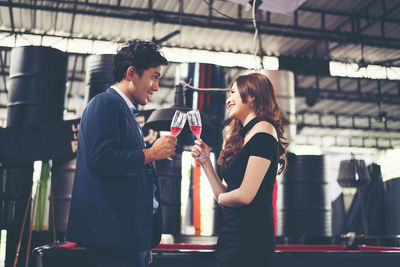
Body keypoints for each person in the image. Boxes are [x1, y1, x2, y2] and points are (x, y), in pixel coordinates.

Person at [67, 40, 177, 267]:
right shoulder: (104, 104)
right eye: (154, 77)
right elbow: (101, 159)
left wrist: (141, 241)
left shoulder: (125, 111)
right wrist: (151, 153)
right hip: (112, 240)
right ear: (131, 73)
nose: (156, 87)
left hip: (126, 239)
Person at [191, 73, 288, 267]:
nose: (228, 100)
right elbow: (226, 196)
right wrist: (206, 162)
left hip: (251, 238)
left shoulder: (265, 132)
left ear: (250, 95)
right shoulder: (243, 136)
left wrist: (223, 198)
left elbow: (244, 196)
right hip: (231, 233)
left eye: (233, 93)